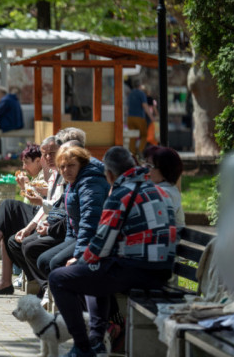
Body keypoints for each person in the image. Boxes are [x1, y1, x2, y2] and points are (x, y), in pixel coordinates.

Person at [48, 146, 177, 357]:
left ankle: (83, 347)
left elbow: (100, 245)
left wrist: (80, 261)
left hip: (138, 271)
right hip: (162, 270)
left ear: (109, 173)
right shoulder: (158, 190)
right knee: (95, 270)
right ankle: (97, 339)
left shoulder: (121, 194)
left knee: (59, 278)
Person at [0, 136, 61, 294]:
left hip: (51, 220)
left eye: (51, 153)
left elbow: (54, 204)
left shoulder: (59, 173)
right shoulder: (53, 173)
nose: (47, 158)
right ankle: (3, 277)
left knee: (8, 208)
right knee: (8, 220)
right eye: (45, 154)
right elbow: (46, 201)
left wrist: (32, 191)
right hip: (44, 215)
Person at [24, 144, 109, 306]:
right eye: (62, 167)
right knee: (43, 260)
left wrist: (78, 254)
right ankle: (65, 301)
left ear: (81, 164)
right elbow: (71, 219)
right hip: (77, 236)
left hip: (95, 239)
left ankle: (81, 308)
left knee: (55, 263)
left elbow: (89, 222)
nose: (66, 170)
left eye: (71, 165)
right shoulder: (73, 181)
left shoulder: (90, 182)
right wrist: (66, 244)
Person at [143, 145, 185, 231]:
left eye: (149, 166)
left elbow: (157, 229)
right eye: (145, 163)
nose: (144, 169)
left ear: (165, 171)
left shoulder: (164, 193)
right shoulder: (165, 188)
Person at [126, 82, 154, 159]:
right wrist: (151, 117)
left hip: (130, 117)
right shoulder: (141, 93)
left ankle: (132, 154)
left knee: (132, 136)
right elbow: (145, 106)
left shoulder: (130, 94)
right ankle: (140, 150)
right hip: (139, 117)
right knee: (144, 135)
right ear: (140, 86)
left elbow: (127, 107)